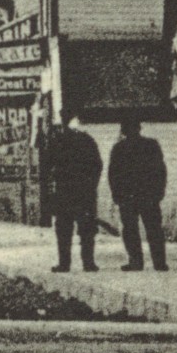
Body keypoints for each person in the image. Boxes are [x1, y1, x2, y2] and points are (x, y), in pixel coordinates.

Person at [42, 116, 104, 271]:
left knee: (65, 229)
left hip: (66, 191)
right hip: (82, 192)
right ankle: (88, 263)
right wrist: (91, 186)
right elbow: (97, 166)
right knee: (86, 229)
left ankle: (65, 264)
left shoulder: (57, 141)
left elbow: (47, 167)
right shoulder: (86, 140)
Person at [108, 118, 169, 271]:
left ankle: (136, 262)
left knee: (131, 230)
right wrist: (159, 191)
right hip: (147, 195)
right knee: (153, 229)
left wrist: (116, 194)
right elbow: (161, 170)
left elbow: (113, 174)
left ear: (123, 131)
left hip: (129, 196)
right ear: (139, 128)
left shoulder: (119, 148)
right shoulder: (151, 145)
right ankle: (159, 262)